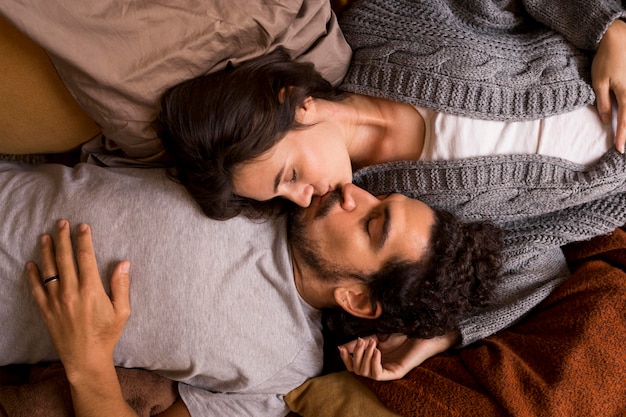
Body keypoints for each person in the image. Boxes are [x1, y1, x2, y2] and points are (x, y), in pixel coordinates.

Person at [6, 141, 626, 413]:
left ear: (357, 297)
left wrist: (87, 362)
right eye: (379, 197)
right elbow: (542, 248)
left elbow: (546, 267)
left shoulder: (283, 374)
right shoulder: (269, 175)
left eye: (373, 224)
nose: (352, 191)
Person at [157, 0, 626, 220]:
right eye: (282, 198)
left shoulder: (379, 27)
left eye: (290, 176)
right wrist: (447, 335)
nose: (302, 199)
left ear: (295, 105)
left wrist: (606, 30)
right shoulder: (377, 211)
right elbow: (524, 239)